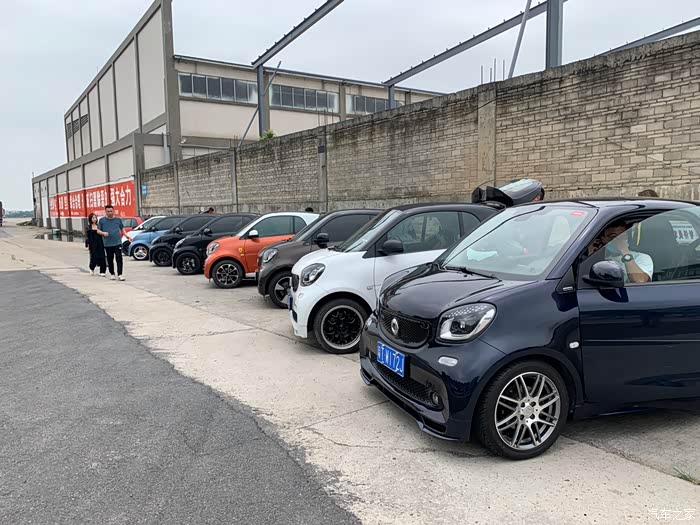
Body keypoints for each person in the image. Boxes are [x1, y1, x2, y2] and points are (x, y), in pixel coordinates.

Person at [586, 220, 652, 283]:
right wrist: (590, 257)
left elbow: (640, 281)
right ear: (603, 239)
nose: (618, 239)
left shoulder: (642, 257)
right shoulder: (600, 259)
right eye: (613, 236)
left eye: (622, 236)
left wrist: (624, 250)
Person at [98, 205, 126, 281]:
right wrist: (103, 233)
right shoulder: (102, 220)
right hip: (108, 243)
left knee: (119, 258)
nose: (110, 213)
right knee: (110, 259)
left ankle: (120, 274)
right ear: (105, 212)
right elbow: (98, 230)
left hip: (117, 242)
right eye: (108, 211)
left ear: (113, 211)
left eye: (111, 211)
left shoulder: (118, 220)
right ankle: (112, 273)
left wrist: (126, 235)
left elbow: (122, 228)